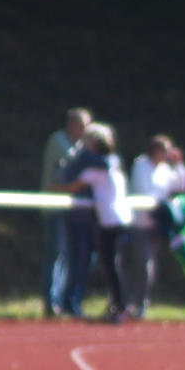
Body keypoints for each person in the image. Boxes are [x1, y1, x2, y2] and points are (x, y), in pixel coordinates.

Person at [51, 123, 132, 323]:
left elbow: (71, 186)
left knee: (111, 266)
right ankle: (119, 304)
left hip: (110, 221)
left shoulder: (95, 170)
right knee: (114, 265)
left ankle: (120, 305)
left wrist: (52, 185)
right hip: (121, 218)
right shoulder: (114, 162)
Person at [124, 135, 185, 318]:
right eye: (164, 150)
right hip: (139, 224)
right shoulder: (141, 164)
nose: (167, 154)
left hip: (156, 226)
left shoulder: (166, 169)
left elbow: (181, 185)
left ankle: (139, 303)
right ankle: (129, 302)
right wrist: (161, 203)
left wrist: (179, 165)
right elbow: (144, 190)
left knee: (147, 266)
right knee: (140, 265)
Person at [40, 108, 90, 317]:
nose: (86, 132)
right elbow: (75, 164)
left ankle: (61, 300)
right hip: (55, 208)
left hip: (71, 209)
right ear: (73, 125)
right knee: (56, 254)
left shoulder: (79, 145)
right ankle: (51, 302)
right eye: (84, 126)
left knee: (68, 255)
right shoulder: (58, 141)